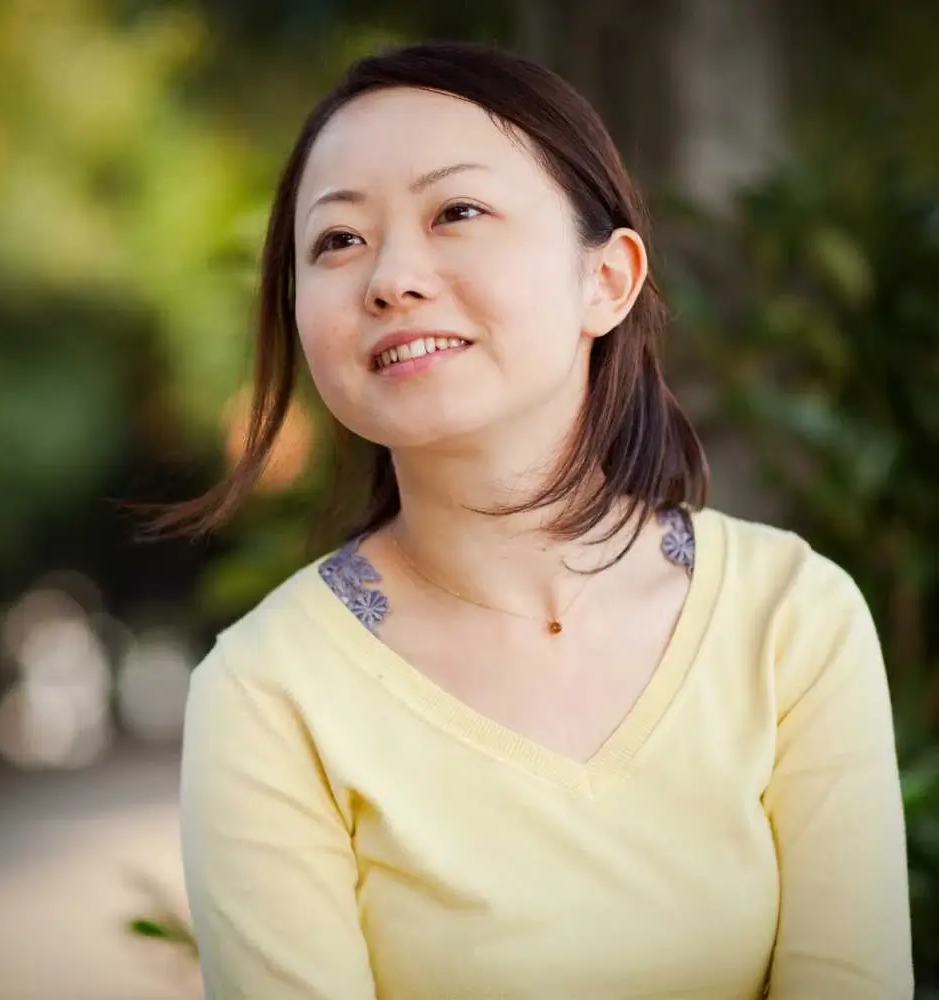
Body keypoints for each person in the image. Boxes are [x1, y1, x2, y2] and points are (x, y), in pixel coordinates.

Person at [170, 41, 914, 1000]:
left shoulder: (792, 621)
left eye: (458, 213)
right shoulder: (267, 694)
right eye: (338, 240)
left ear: (606, 280)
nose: (391, 277)